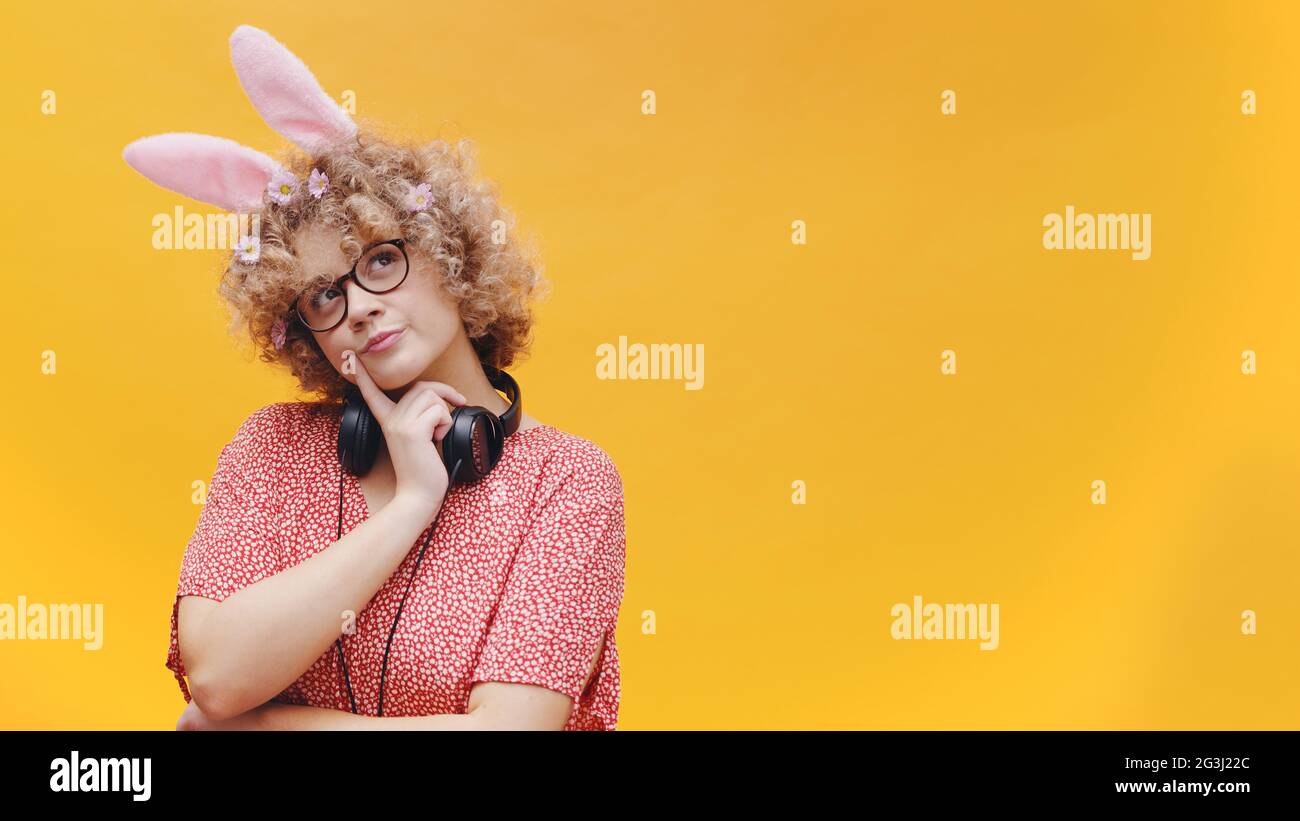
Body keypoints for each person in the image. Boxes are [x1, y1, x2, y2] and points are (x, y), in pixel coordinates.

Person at [123, 25, 626, 730]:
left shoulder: (569, 481)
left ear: (452, 255)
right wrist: (412, 502)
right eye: (324, 295)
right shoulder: (271, 450)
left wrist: (252, 724)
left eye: (381, 260)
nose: (357, 306)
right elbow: (218, 673)